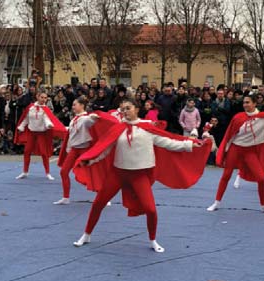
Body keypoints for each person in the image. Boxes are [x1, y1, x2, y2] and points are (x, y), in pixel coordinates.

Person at [72, 98, 211, 252]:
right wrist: (90, 161)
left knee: (150, 210)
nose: (125, 111)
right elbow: (105, 149)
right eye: (123, 109)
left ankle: (153, 240)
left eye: (128, 108)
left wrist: (189, 144)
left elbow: (169, 142)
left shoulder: (147, 128)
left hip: (139, 176)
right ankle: (87, 234)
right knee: (98, 203)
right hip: (118, 173)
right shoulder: (118, 128)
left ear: (137, 109)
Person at [54, 97, 116, 205]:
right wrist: (68, 148)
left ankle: (103, 197)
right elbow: (71, 135)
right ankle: (65, 197)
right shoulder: (74, 119)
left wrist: (93, 117)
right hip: (74, 150)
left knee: (93, 173)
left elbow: (90, 121)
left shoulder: (85, 119)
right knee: (63, 172)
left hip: (84, 150)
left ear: (82, 106)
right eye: (73, 105)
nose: (73, 107)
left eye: (75, 104)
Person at [15, 93, 67, 180]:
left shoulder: (45, 109)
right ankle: (25, 172)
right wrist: (21, 126)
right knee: (27, 151)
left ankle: (47, 173)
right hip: (32, 132)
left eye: (45, 98)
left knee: (44, 153)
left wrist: (49, 124)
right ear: (37, 97)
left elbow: (46, 119)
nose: (43, 99)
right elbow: (26, 118)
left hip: (41, 133)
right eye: (42, 97)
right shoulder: (31, 107)